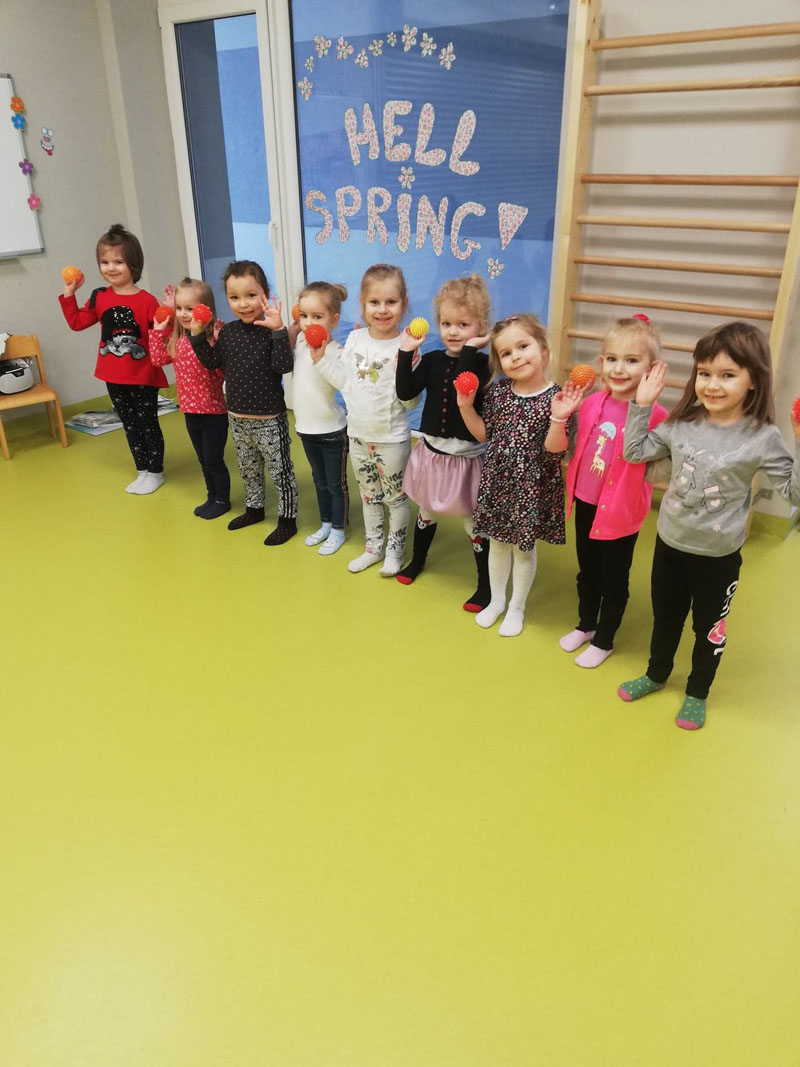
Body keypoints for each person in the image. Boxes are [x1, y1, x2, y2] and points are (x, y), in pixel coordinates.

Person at [618, 321, 800, 729]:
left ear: (753, 380)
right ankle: (656, 674)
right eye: (704, 373)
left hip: (717, 557)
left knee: (709, 628)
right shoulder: (682, 423)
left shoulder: (762, 437)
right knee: (666, 617)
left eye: (727, 375)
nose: (712, 385)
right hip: (669, 544)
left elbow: (795, 494)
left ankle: (697, 691)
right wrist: (641, 404)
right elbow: (634, 453)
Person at [558, 315, 669, 667]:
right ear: (601, 361)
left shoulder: (656, 415)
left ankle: (604, 640)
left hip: (621, 511)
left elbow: (653, 460)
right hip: (586, 502)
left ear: (652, 368)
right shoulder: (592, 402)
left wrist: (643, 406)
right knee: (587, 571)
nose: (619, 369)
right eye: (612, 359)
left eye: (631, 360)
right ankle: (586, 624)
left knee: (613, 580)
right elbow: (574, 447)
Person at [456, 314, 577, 637]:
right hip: (499, 482)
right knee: (497, 544)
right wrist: (466, 407)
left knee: (523, 550)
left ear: (543, 350)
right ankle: (497, 601)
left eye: (523, 346)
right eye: (507, 353)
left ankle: (517, 606)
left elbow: (555, 450)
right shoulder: (498, 392)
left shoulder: (559, 397)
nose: (516, 357)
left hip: (531, 487)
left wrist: (558, 418)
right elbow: (484, 434)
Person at [395, 274, 493, 611]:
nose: (453, 331)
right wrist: (405, 353)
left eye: (463, 325)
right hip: (433, 454)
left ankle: (485, 584)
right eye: (446, 323)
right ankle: (418, 559)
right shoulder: (434, 360)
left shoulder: (485, 365)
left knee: (473, 522)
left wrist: (470, 349)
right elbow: (405, 392)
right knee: (427, 510)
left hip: (467, 459)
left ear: (481, 327)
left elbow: (464, 386)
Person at [313, 263, 415, 576]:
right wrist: (319, 361)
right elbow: (345, 382)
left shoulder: (406, 345)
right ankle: (373, 548)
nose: (382, 310)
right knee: (369, 496)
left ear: (404, 305)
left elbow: (411, 402)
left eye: (391, 302)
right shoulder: (355, 339)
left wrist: (405, 368)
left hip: (392, 439)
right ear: (363, 304)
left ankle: (394, 553)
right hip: (358, 435)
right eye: (375, 302)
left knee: (395, 499)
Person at [188, 260, 298, 546]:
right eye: (234, 297)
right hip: (237, 417)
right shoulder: (228, 332)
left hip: (269, 419)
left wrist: (279, 330)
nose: (244, 304)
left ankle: (287, 521)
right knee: (248, 468)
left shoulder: (271, 331)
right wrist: (197, 335)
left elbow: (284, 366)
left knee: (280, 471)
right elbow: (212, 362)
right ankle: (254, 509)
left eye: (251, 295)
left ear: (265, 294)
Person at [58, 223, 167, 494]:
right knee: (129, 425)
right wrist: (70, 294)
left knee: (148, 423)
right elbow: (77, 322)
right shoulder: (99, 297)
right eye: (104, 262)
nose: (111, 268)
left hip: (143, 375)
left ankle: (155, 473)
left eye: (118, 262)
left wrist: (170, 313)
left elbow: (161, 335)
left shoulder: (147, 300)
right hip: (113, 375)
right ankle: (142, 470)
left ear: (134, 264)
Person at [149, 278, 230, 519]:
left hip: (213, 413)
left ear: (206, 310)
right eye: (179, 308)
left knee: (214, 460)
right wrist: (159, 329)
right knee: (203, 460)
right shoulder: (178, 340)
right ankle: (211, 496)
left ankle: (222, 500)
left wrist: (217, 341)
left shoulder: (211, 340)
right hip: (190, 413)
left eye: (190, 308)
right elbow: (157, 360)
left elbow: (222, 372)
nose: (184, 314)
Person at [290, 282, 350, 556]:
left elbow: (343, 383)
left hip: (332, 431)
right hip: (306, 429)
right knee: (319, 481)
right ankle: (326, 523)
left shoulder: (337, 351)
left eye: (317, 316)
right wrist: (292, 330)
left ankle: (339, 528)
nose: (309, 323)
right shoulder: (301, 344)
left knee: (336, 485)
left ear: (333, 320)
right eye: (304, 316)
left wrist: (320, 358)